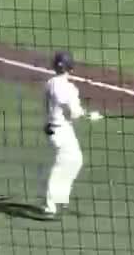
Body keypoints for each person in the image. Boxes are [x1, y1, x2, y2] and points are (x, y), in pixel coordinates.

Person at [42, 51, 103, 217]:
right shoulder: (69, 88)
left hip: (55, 128)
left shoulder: (50, 82)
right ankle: (50, 206)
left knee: (76, 160)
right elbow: (74, 113)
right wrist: (90, 115)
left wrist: (83, 113)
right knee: (63, 163)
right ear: (71, 68)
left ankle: (60, 197)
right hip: (60, 130)